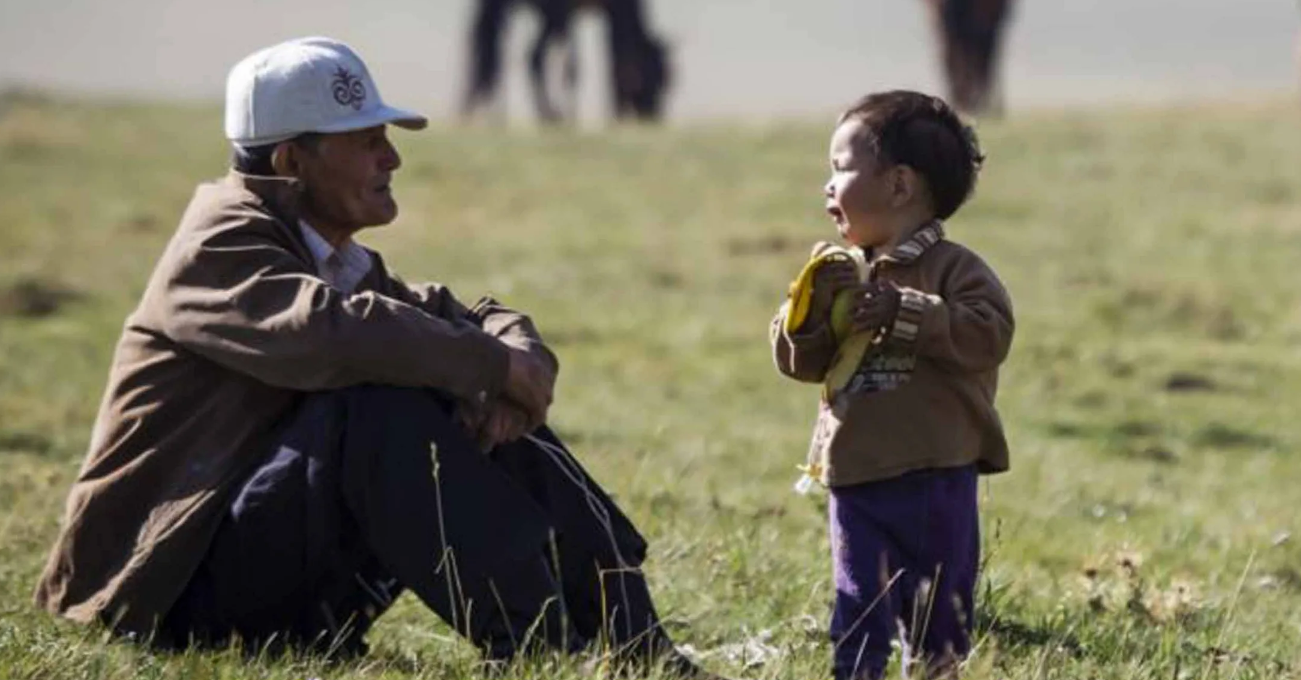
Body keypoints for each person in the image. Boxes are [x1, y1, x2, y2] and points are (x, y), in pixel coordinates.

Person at [36, 36, 714, 674]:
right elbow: (335, 334)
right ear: (290, 163)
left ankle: (635, 642)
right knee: (380, 400)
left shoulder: (321, 254)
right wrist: (493, 370)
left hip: (263, 587)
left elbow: (462, 319)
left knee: (424, 371)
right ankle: (534, 646)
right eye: (366, 141)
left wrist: (511, 366)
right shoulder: (218, 246)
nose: (391, 159)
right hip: (160, 598)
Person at [769, 91, 1015, 680]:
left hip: (937, 477)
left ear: (900, 185)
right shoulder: (837, 274)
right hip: (855, 480)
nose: (828, 186)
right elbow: (802, 363)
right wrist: (803, 320)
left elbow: (988, 334)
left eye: (841, 168)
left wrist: (906, 312)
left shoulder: (955, 270)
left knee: (938, 623)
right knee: (858, 612)